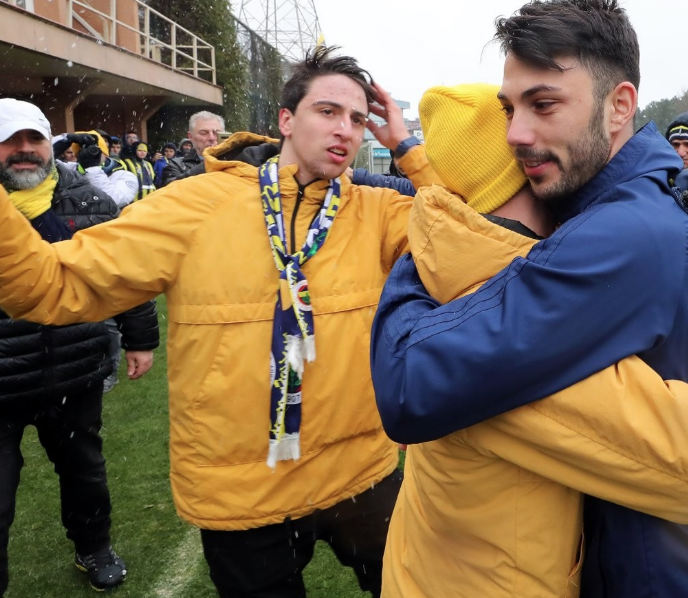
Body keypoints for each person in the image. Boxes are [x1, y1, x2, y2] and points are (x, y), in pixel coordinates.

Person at [370, 0, 688, 598]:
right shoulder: (630, 200)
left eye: (544, 104)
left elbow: (409, 383)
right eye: (511, 109)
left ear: (620, 107)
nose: (516, 132)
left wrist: (426, 250)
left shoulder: (621, 234)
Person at [0, 47, 440, 598]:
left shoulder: (377, 212)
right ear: (285, 120)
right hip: (243, 490)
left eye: (357, 119)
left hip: (361, 472)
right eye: (328, 111)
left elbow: (469, 241)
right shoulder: (193, 205)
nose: (346, 130)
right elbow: (48, 284)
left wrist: (407, 148)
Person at [0, 98, 159, 595]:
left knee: (84, 470)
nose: (24, 151)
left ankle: (93, 547)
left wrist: (141, 340)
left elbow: (126, 273)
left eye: (34, 140)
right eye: (11, 141)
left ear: (50, 145)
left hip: (74, 366)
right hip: (1, 376)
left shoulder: (91, 201)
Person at [161, 111, 225, 185]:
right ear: (190, 136)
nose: (211, 138)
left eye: (216, 133)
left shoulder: (234, 161)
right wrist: (207, 165)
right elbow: (172, 190)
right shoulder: (176, 166)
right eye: (204, 133)